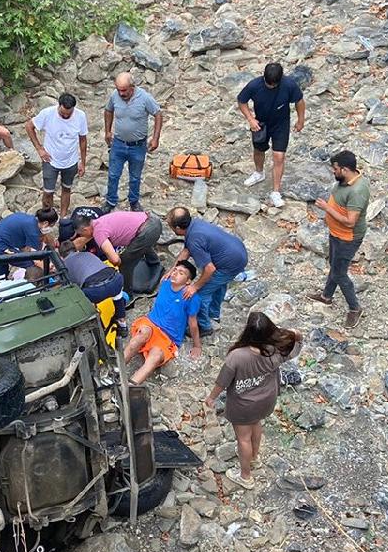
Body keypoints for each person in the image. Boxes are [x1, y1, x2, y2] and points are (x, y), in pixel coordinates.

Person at [203, 313, 303, 490]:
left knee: (243, 439)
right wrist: (297, 335)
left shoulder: (237, 356)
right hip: (267, 399)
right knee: (256, 424)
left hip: (243, 405)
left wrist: (211, 398)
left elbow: (222, 382)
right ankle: (254, 458)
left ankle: (245, 476)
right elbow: (296, 348)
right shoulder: (277, 349)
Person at [306, 150, 371, 329]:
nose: (333, 172)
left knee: (339, 273)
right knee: (334, 265)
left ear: (345, 169)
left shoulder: (357, 191)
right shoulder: (344, 181)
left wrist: (327, 208)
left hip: (347, 238)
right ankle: (326, 296)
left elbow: (350, 222)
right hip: (336, 233)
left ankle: (355, 308)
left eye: (335, 169)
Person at [165, 207, 248, 337]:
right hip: (237, 253)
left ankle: (204, 326)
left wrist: (195, 287)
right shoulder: (195, 224)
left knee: (201, 295)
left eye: (170, 226)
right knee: (218, 285)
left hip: (230, 264)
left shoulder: (194, 239)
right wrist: (172, 270)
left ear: (178, 228)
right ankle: (214, 314)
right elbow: (186, 251)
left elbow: (210, 269)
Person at [237, 62, 306, 208]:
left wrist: (301, 120)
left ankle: (275, 191)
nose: (271, 87)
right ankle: (259, 173)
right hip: (260, 123)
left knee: (279, 156)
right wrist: (250, 119)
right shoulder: (254, 85)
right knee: (259, 150)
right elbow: (242, 101)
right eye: (268, 84)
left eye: (274, 85)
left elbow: (299, 101)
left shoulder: (289, 85)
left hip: (281, 124)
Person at [123, 260, 202, 385]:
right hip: (151, 323)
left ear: (188, 281)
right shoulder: (165, 282)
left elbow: (193, 323)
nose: (175, 273)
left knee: (155, 356)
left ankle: (130, 385)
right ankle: (117, 370)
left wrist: (197, 345)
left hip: (168, 336)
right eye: (175, 270)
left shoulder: (191, 298)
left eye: (181, 273)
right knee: (141, 335)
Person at [103, 72, 163, 212]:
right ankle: (110, 201)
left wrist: (155, 138)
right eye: (119, 90)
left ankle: (134, 202)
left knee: (135, 177)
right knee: (113, 175)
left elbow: (158, 114)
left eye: (124, 90)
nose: (121, 93)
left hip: (138, 146)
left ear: (132, 87)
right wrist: (107, 131)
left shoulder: (145, 98)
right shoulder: (115, 96)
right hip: (118, 143)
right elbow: (108, 110)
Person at [26, 93, 88, 218]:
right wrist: (39, 149)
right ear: (59, 106)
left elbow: (83, 139)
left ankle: (63, 216)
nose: (65, 116)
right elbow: (29, 126)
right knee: (48, 191)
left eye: (68, 114)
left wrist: (83, 162)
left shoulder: (80, 116)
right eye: (63, 113)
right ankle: (47, 217)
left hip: (71, 161)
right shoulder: (47, 113)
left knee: (67, 188)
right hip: (51, 160)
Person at [73, 209, 161, 295]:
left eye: (80, 234)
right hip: (152, 221)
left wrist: (115, 263)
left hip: (148, 232)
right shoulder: (100, 220)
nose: (81, 236)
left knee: (125, 262)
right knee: (138, 246)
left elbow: (115, 260)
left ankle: (128, 293)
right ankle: (154, 262)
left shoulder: (98, 233)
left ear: (85, 229)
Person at [58, 240, 126, 328]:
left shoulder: (65, 265)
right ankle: (122, 324)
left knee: (79, 297)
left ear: (61, 256)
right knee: (117, 295)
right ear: (76, 250)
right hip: (115, 280)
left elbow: (71, 286)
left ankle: (95, 324)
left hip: (94, 291)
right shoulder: (88, 254)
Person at [0, 208, 59, 282]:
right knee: (29, 264)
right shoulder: (33, 232)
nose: (50, 228)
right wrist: (50, 268)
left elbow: (26, 249)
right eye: (51, 225)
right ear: (45, 223)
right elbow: (35, 258)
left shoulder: (31, 220)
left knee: (2, 265)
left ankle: (2, 283)